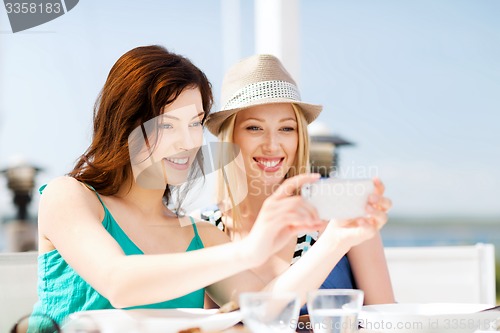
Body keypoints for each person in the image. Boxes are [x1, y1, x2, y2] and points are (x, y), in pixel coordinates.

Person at [29, 46, 386, 328]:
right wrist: (247, 251)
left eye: (195, 123)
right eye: (167, 125)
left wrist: (339, 238)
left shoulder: (199, 235)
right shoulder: (70, 196)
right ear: (124, 125)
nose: (187, 142)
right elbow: (120, 282)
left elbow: (269, 310)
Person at [202, 54, 395, 313]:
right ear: (230, 137)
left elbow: (387, 321)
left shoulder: (343, 212)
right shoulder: (205, 230)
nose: (272, 145)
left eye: (286, 129)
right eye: (254, 128)